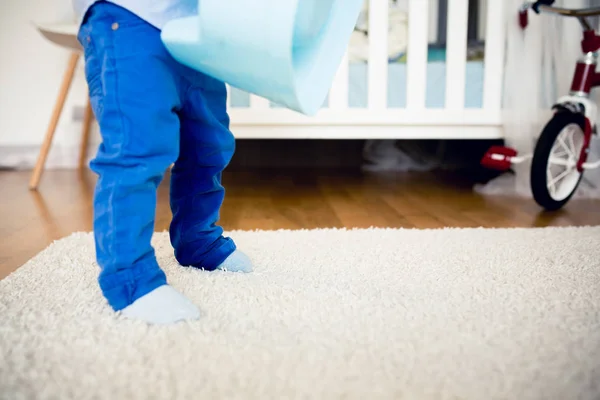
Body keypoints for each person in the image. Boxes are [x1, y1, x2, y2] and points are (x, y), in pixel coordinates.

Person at [73, 0, 254, 325]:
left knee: (208, 145)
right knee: (136, 149)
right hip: (129, 16)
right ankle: (129, 277)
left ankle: (197, 239)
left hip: (199, 30)